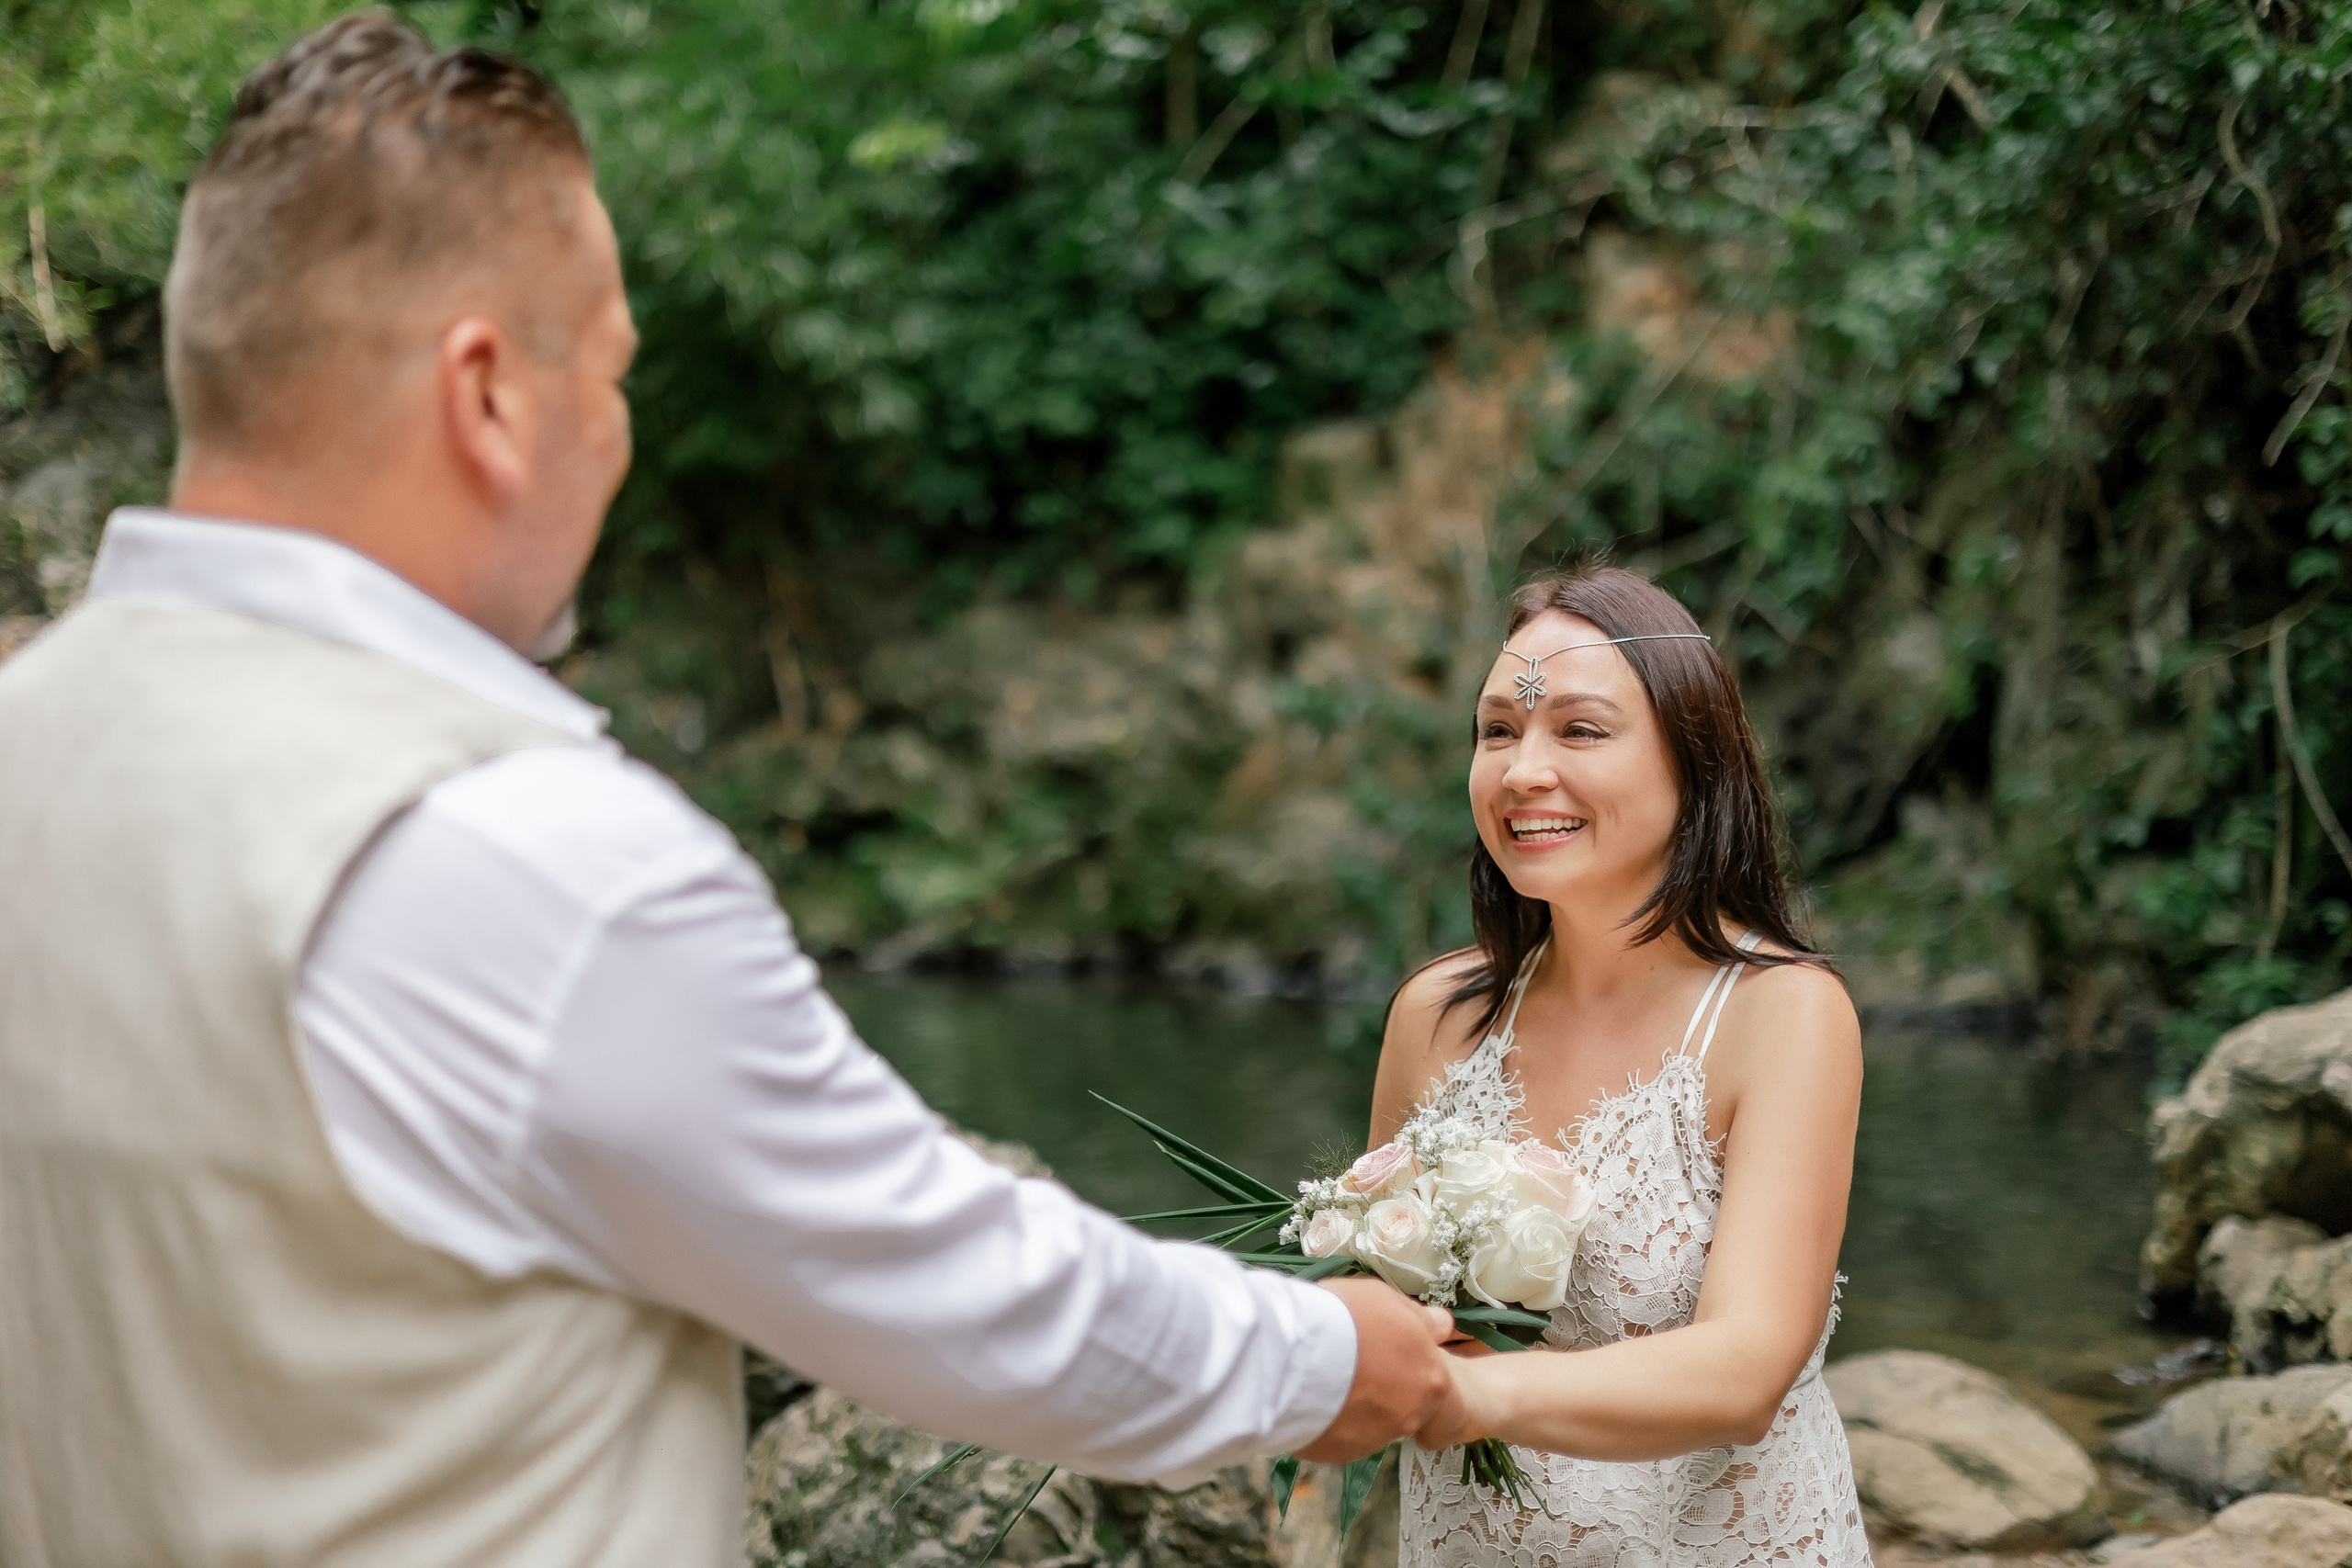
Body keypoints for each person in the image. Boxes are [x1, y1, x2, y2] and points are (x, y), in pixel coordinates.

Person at [0, 15, 1460, 1566]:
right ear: (488, 394)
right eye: (613, 371)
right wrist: (1326, 1357)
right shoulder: (535, 852)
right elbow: (966, 1294)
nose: (617, 434)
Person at [1391, 567, 1871, 1564]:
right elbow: (1392, 1308)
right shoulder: (1436, 1017)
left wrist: (1464, 1393)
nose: (1522, 770)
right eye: (1496, 731)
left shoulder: (1783, 1016)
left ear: (1692, 764)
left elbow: (1744, 1373)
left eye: (1578, 731)